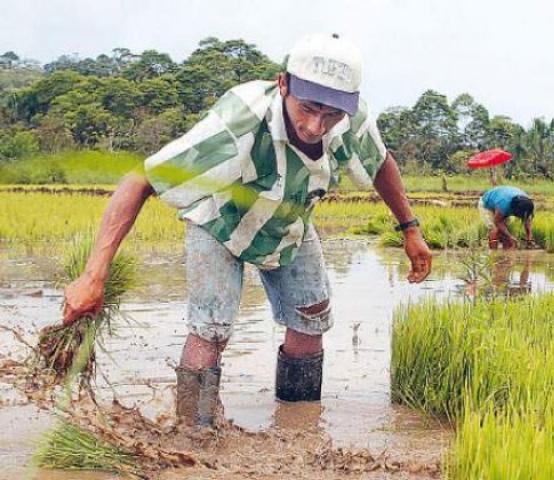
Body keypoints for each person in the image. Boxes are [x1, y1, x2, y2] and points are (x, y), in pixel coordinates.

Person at [60, 33, 433, 426]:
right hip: (220, 222)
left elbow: (380, 162)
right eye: (306, 108)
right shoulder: (237, 122)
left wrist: (410, 229)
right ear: (283, 84)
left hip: (290, 222)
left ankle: (298, 428)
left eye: (331, 116)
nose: (314, 126)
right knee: (212, 328)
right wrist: (93, 275)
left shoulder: (351, 121)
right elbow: (141, 180)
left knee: (310, 321)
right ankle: (193, 433)